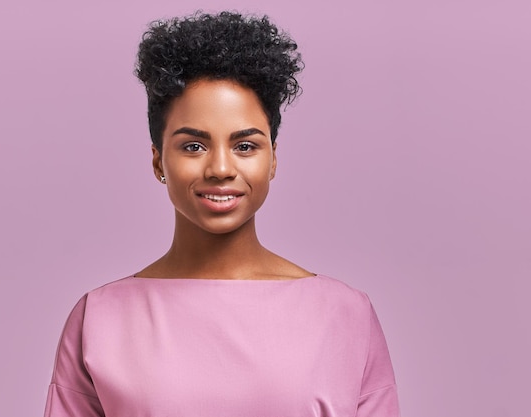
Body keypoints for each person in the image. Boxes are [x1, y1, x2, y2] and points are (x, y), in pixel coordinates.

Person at [44, 11, 399, 417]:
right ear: (159, 161)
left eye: (245, 146)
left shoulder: (345, 314)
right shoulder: (99, 319)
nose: (220, 168)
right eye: (193, 146)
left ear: (273, 159)